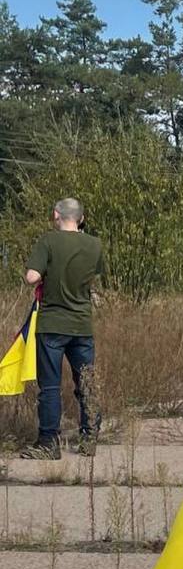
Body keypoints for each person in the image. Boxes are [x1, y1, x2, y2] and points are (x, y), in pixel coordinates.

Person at [20, 197, 102, 459]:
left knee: (51, 386)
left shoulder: (48, 241)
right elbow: (93, 281)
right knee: (86, 383)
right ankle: (89, 439)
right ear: (82, 217)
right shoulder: (94, 245)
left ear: (56, 214)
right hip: (81, 324)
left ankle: (48, 443)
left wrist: (44, 274)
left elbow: (31, 276)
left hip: (52, 324)